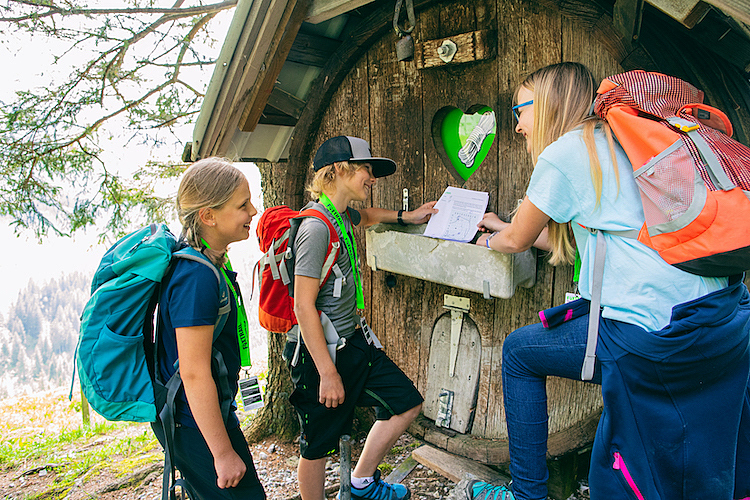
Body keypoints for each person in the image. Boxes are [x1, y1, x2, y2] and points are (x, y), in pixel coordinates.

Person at [461, 62, 750, 500]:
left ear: (547, 105)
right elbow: (608, 231)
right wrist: (509, 227)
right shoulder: (630, 140)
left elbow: (516, 240)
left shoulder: (568, 153)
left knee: (519, 353)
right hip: (721, 323)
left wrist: (492, 238)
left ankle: (526, 495)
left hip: (655, 338)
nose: (517, 126)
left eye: (519, 109)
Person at [286, 135, 437, 500]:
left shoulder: (339, 215)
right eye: (367, 169)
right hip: (322, 354)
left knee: (406, 402)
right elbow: (302, 306)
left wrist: (408, 216)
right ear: (339, 169)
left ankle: (362, 482)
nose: (373, 177)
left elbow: (366, 216)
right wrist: (327, 373)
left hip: (355, 342)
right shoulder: (315, 228)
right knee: (317, 443)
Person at [152, 157, 266, 499]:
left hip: (199, 417)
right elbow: (195, 372)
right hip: (193, 423)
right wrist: (222, 453)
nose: (254, 210)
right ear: (208, 216)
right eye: (242, 205)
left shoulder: (205, 264)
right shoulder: (197, 277)